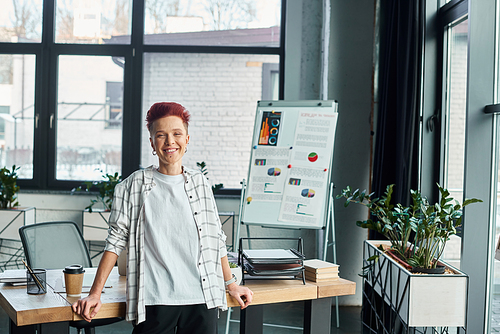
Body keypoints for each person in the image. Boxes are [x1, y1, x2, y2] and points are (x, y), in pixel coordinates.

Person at [72, 102, 253, 334]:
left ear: (187, 139)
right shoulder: (132, 186)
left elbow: (215, 238)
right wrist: (95, 293)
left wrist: (231, 285)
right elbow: (115, 242)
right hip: (154, 299)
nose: (170, 142)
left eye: (177, 134)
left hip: (201, 297)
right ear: (152, 142)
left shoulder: (200, 183)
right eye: (161, 135)